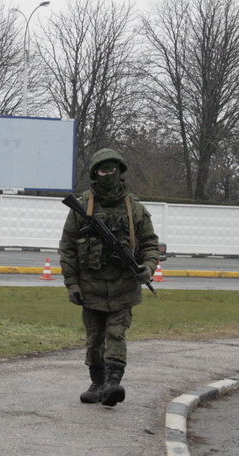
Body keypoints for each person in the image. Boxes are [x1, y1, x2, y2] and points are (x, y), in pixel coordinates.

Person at [58, 148, 159, 406]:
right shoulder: (81, 208)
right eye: (103, 170)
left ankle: (113, 383)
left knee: (116, 334)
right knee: (94, 338)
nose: (108, 174)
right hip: (90, 287)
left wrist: (148, 267)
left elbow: (149, 244)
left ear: (120, 171)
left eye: (113, 169)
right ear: (95, 173)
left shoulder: (134, 209)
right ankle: (97, 383)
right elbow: (68, 247)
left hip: (124, 286)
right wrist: (72, 283)